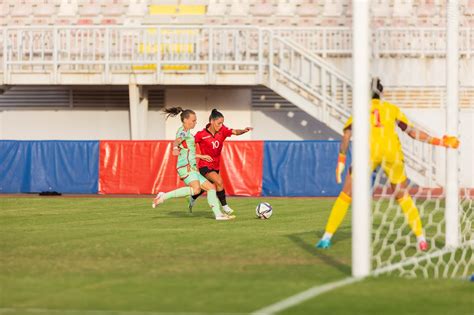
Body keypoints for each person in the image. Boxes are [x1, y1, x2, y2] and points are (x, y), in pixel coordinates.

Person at [316, 78, 460, 251]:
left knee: (346, 195)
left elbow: (347, 135)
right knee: (403, 197)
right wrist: (439, 141)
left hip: (368, 153)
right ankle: (421, 239)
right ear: (381, 93)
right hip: (392, 152)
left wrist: (341, 160)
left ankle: (326, 237)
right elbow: (412, 133)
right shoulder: (391, 109)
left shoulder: (361, 110)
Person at [152, 107, 235, 221]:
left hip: (192, 167)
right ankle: (164, 196)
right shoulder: (184, 131)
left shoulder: (189, 134)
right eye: (193, 120)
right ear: (185, 120)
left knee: (211, 188)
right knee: (196, 190)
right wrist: (175, 147)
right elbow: (177, 140)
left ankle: (218, 215)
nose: (195, 122)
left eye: (195, 120)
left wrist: (201, 156)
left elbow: (189, 152)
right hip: (185, 167)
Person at [188, 109, 253, 214]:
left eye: (222, 123)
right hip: (204, 165)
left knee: (204, 188)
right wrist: (199, 155)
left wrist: (244, 131)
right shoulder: (201, 134)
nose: (221, 125)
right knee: (219, 181)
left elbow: (235, 132)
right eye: (219, 123)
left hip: (216, 166)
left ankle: (192, 198)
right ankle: (225, 207)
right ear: (212, 122)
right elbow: (188, 146)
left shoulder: (223, 130)